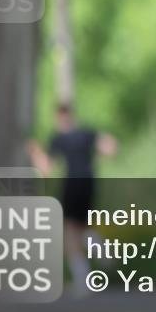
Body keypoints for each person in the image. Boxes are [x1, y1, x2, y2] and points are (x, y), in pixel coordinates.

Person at [26, 103, 117, 295]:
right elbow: (110, 147)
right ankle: (102, 251)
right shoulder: (86, 133)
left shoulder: (58, 138)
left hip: (72, 183)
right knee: (82, 225)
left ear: (58, 117)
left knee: (69, 230)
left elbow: (45, 169)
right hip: (89, 182)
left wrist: (35, 152)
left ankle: (83, 278)